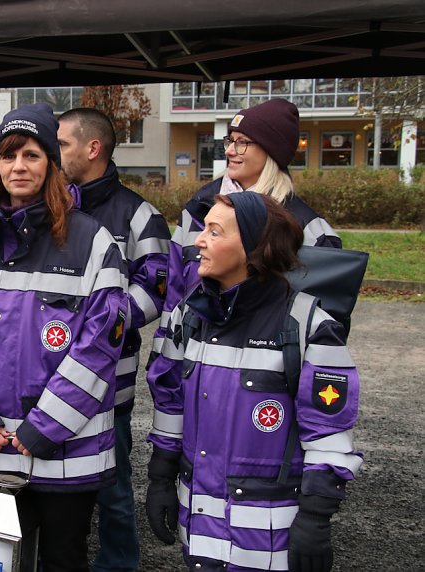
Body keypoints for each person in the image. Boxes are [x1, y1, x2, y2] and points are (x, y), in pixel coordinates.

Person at [0, 103, 128, 572]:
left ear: (52, 166)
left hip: (67, 450)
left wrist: (46, 427)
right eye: (8, 156)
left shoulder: (93, 243)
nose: (18, 166)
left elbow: (100, 346)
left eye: (32, 155)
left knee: (63, 559)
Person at [145, 192, 362, 571]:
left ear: (254, 249)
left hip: (267, 547)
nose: (198, 240)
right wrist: (161, 476)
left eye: (214, 232)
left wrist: (315, 519)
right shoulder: (189, 315)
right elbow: (171, 404)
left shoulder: (307, 325)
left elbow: (329, 436)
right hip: (198, 540)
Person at [58, 108, 171, 572]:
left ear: (93, 148)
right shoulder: (50, 204)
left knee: (114, 495)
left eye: (62, 143)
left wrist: (96, 327)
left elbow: (156, 289)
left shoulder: (140, 215)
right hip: (43, 386)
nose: (54, 151)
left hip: (109, 389)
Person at [160, 98, 341, 336]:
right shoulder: (198, 209)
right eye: (230, 140)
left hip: (264, 367)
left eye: (242, 142)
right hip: (195, 362)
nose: (229, 150)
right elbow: (175, 291)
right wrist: (164, 361)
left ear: (271, 150)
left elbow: (323, 323)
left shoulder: (309, 230)